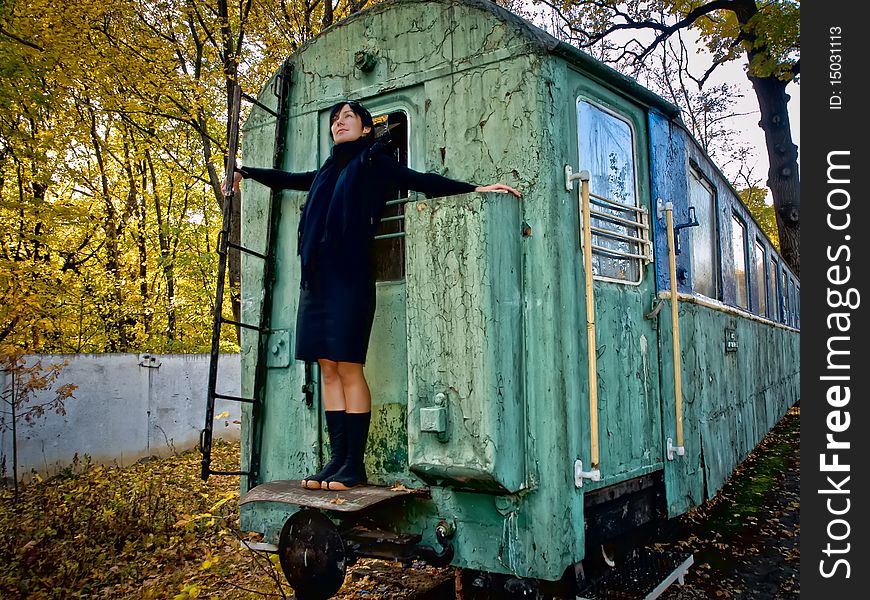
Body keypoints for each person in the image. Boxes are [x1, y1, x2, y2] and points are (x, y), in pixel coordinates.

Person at [226, 100, 520, 491]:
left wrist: (476, 188)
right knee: (326, 367)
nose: (339, 123)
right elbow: (288, 179)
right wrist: (246, 172)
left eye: (348, 117)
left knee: (348, 366)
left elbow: (422, 180)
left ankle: (354, 465)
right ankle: (335, 461)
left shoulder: (373, 164)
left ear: (366, 129)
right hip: (316, 280)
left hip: (350, 277)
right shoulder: (325, 173)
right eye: (335, 119)